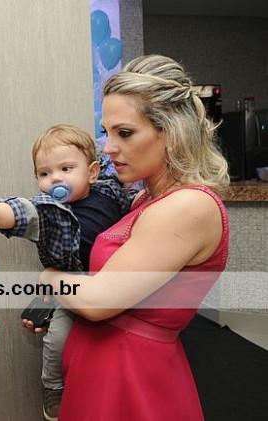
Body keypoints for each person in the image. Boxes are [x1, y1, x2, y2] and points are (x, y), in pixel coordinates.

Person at [35, 55, 230, 421]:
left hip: (131, 375)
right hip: (101, 363)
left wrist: (48, 277)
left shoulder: (189, 205)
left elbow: (98, 300)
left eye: (124, 133)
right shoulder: (145, 198)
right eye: (107, 132)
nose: (108, 147)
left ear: (171, 133)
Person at [0, 124, 133, 421]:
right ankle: (53, 387)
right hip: (71, 286)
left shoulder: (109, 193)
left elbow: (131, 208)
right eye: (44, 173)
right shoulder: (48, 209)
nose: (55, 178)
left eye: (66, 169)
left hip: (113, 284)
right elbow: (21, 212)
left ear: (92, 172)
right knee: (57, 338)